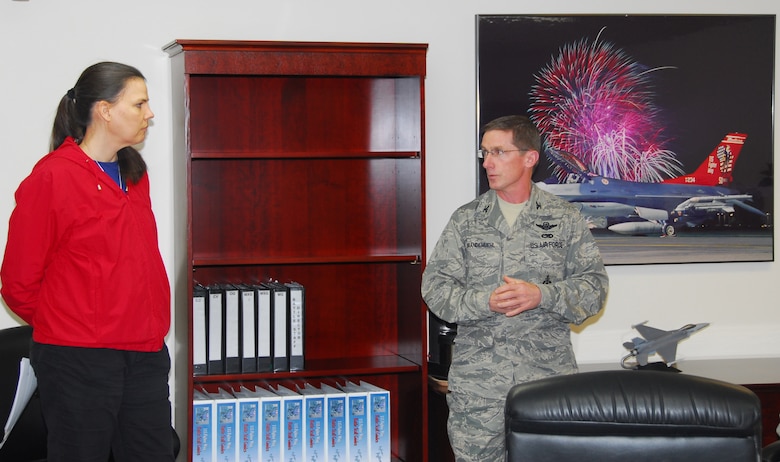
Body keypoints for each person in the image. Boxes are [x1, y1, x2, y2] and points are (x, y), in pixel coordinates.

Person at [0, 62, 174, 461]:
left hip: (145, 353)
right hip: (78, 360)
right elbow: (18, 282)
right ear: (105, 110)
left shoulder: (134, 173)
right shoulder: (53, 177)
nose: (150, 113)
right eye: (140, 103)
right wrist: (71, 324)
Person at [421, 115, 609, 461]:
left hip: (546, 381)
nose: (488, 163)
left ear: (529, 158)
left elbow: (594, 288)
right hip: (479, 386)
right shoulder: (467, 219)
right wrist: (484, 302)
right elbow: (434, 288)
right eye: (484, 154)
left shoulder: (564, 218)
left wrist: (542, 295)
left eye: (498, 152)